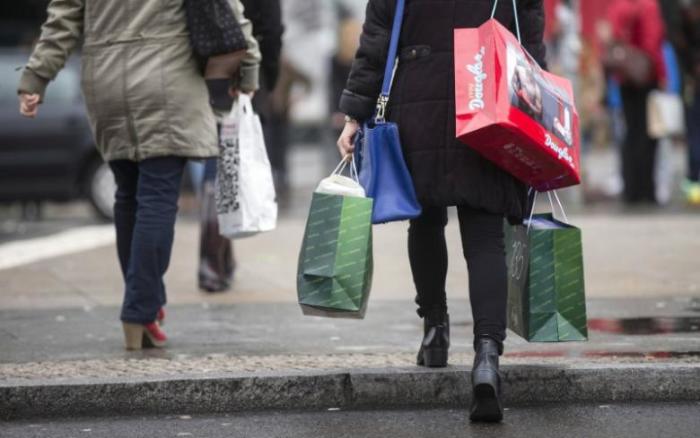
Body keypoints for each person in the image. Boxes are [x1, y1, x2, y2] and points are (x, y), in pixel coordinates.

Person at [336, 0, 546, 423]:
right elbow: (530, 39)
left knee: (425, 221)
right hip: (488, 99)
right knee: (486, 239)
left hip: (420, 100)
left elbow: (377, 37)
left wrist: (354, 114)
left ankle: (434, 332)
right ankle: (487, 356)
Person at [18, 0, 259, 350]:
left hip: (105, 85)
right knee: (158, 197)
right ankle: (140, 309)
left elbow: (63, 19)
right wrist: (247, 69)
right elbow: (229, 11)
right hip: (168, 78)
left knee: (127, 195)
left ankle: (146, 302)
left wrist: (36, 78)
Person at [603, 0, 666, 205]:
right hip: (646, 76)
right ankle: (647, 190)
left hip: (625, 77)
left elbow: (611, 36)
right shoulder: (649, 6)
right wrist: (662, 75)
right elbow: (652, 43)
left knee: (630, 133)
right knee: (648, 135)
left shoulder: (618, 5)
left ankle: (631, 190)